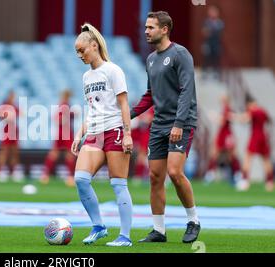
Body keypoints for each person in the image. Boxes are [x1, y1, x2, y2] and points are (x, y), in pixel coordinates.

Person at [130, 11, 200, 243]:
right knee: (155, 177)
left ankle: (193, 221)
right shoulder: (150, 60)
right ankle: (159, 230)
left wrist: (179, 123)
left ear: (164, 29)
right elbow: (150, 95)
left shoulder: (181, 54)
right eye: (146, 27)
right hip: (159, 124)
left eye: (151, 27)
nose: (146, 31)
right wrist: (128, 115)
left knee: (174, 172)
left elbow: (186, 91)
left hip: (181, 122)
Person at [71, 23, 133, 247]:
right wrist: (79, 134)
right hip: (94, 133)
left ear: (94, 45)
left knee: (118, 184)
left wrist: (127, 134)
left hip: (114, 130)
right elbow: (91, 109)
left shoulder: (113, 70)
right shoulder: (86, 77)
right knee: (80, 179)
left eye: (82, 50)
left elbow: (124, 103)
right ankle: (98, 226)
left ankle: (124, 236)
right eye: (77, 52)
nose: (80, 55)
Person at [236, 96, 273, 192]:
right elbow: (269, 121)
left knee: (247, 158)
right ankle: (269, 182)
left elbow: (245, 119)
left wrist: (232, 117)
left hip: (255, 136)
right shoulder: (262, 110)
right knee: (266, 160)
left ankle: (245, 181)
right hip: (264, 136)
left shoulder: (253, 111)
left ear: (250, 104)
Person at [41, 89, 76, 187]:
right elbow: (58, 119)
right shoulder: (65, 105)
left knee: (55, 153)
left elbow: (56, 118)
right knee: (69, 154)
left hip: (62, 132)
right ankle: (70, 177)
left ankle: (45, 175)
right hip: (66, 133)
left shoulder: (64, 104)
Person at [204, 94, 241, 186]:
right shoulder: (225, 109)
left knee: (230, 155)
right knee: (215, 154)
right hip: (222, 134)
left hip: (226, 134)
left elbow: (222, 121)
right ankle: (210, 174)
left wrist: (214, 117)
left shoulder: (227, 109)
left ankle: (237, 175)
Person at [0, 90, 22, 182]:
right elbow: (2, 116)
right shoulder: (5, 106)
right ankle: (1, 171)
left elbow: (20, 114)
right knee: (5, 150)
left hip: (14, 129)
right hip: (7, 129)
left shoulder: (14, 106)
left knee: (14, 151)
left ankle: (13, 171)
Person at [201, 5, 224, 80]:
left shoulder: (219, 22)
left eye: (214, 12)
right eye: (211, 11)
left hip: (216, 43)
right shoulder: (206, 22)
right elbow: (205, 32)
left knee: (216, 57)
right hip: (208, 43)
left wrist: (211, 31)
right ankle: (204, 73)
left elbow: (220, 33)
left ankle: (216, 73)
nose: (212, 13)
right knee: (206, 57)